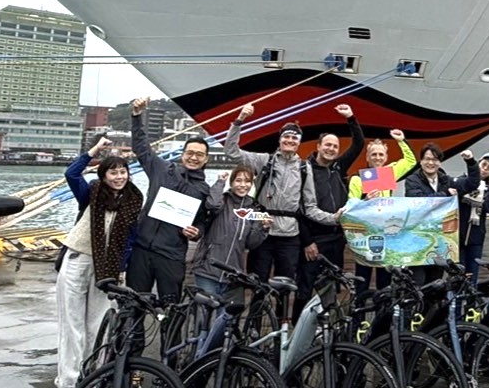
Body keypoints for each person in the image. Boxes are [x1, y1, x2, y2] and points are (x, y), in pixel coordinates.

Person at [56, 137, 144, 388]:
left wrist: (122, 269)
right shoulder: (91, 194)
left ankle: (92, 379)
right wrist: (93, 151)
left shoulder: (133, 201)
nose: (119, 177)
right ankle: (70, 384)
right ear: (103, 175)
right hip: (79, 258)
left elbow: (130, 239)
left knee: (99, 325)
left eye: (123, 171)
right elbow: (71, 174)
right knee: (72, 323)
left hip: (107, 268)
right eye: (113, 172)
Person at [224, 105, 336, 287]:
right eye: (286, 137)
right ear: (280, 139)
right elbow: (231, 151)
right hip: (262, 231)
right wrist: (239, 120)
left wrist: (334, 218)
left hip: (290, 236)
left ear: (299, 143)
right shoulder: (264, 160)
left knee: (286, 285)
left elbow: (310, 207)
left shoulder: (304, 167)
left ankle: (281, 307)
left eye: (294, 138)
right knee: (257, 284)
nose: (290, 140)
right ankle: (257, 306)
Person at [127, 97, 209, 304]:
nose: (194, 158)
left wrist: (196, 233)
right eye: (190, 153)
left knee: (171, 306)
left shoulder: (204, 190)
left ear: (206, 159)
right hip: (142, 248)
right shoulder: (162, 169)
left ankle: (168, 327)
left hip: (172, 254)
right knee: (134, 304)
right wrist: (136, 116)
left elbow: (202, 222)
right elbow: (141, 148)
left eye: (199, 155)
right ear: (182, 154)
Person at [298, 104, 364, 316]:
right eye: (327, 145)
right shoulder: (304, 170)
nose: (331, 149)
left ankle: (326, 331)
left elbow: (359, 144)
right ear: (318, 146)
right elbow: (299, 209)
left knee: (331, 290)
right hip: (314, 240)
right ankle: (297, 330)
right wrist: (307, 241)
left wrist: (351, 118)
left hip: (336, 240)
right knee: (304, 290)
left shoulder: (338, 166)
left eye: (335, 146)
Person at [346, 129, 416, 290]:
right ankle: (359, 306)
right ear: (367, 157)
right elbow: (351, 207)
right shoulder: (357, 179)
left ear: (385, 157)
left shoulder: (388, 173)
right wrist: (365, 201)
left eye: (381, 155)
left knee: (384, 283)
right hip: (364, 236)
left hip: (386, 236)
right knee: (362, 281)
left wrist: (401, 141)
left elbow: (410, 161)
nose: (377, 157)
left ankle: (382, 307)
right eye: (374, 154)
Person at [192, 166, 273, 301]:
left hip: (233, 274)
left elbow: (251, 244)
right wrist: (220, 182)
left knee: (227, 313)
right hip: (208, 269)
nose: (242, 185)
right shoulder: (222, 201)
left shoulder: (254, 209)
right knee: (204, 310)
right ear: (231, 182)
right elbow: (212, 205)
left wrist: (263, 228)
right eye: (238, 180)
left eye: (247, 181)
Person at [404, 142, 467, 281]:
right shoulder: (411, 180)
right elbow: (420, 202)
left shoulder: (445, 179)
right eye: (427, 159)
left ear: (440, 162)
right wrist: (445, 194)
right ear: (421, 161)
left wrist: (471, 162)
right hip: (418, 242)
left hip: (439, 242)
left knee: (436, 284)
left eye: (434, 159)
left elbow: (471, 184)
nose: (430, 163)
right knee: (418, 284)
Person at [452, 150, 489, 283]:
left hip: (476, 237)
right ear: (478, 163)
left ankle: (471, 295)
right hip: (458, 235)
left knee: (472, 274)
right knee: (458, 274)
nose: (484, 169)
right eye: (483, 165)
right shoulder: (462, 181)